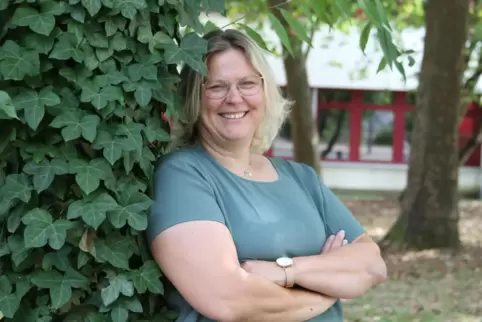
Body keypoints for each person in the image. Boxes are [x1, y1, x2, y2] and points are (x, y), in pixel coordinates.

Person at [146, 29, 387, 322]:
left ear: (265, 91)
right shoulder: (182, 175)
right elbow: (230, 299)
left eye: (247, 84)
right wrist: (327, 287)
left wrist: (285, 272)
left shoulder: (301, 177)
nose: (234, 98)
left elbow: (372, 265)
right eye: (216, 87)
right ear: (194, 98)